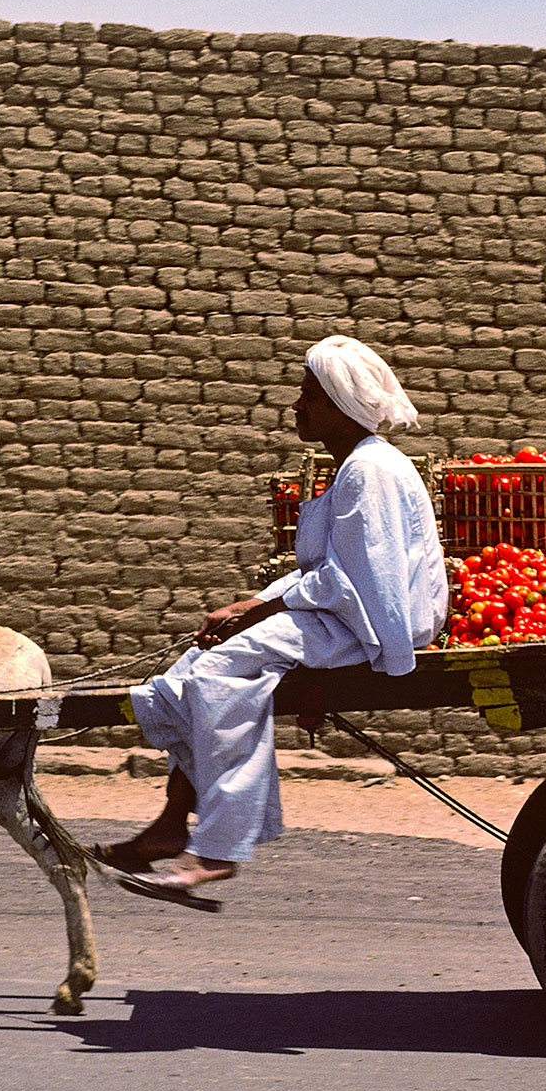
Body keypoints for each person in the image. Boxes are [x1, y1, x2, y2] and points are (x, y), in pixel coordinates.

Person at [98, 335, 448, 897]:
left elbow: (356, 579)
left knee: (220, 676)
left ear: (341, 404)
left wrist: (261, 608)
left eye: (309, 395)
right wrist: (251, 606)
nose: (296, 406)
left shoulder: (369, 470)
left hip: (376, 621)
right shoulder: (355, 466)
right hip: (349, 611)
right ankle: (170, 825)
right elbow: (330, 568)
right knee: (198, 662)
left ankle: (217, 850)